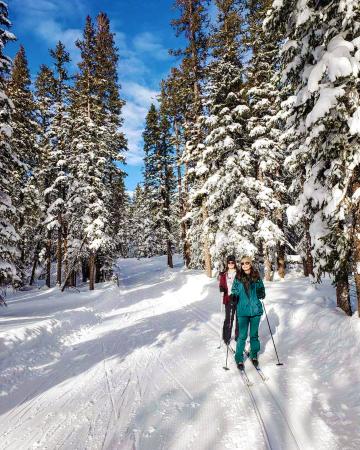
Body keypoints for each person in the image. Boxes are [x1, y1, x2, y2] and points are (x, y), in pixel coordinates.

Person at [231, 256, 266, 370]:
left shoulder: (256, 277)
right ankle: (239, 358)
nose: (244, 265)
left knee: (254, 335)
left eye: (247, 263)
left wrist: (261, 293)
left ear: (250, 264)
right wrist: (233, 297)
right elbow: (234, 290)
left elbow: (262, 290)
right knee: (242, 336)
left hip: (255, 310)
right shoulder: (238, 277)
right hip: (242, 311)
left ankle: (254, 354)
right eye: (242, 263)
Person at [219, 254, 239, 345]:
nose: (231, 264)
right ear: (227, 263)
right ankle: (226, 337)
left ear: (234, 263)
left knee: (239, 318)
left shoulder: (239, 273)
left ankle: (238, 336)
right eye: (229, 262)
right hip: (228, 298)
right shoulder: (224, 274)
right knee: (229, 318)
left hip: (239, 298)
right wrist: (222, 289)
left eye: (232, 262)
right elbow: (222, 284)